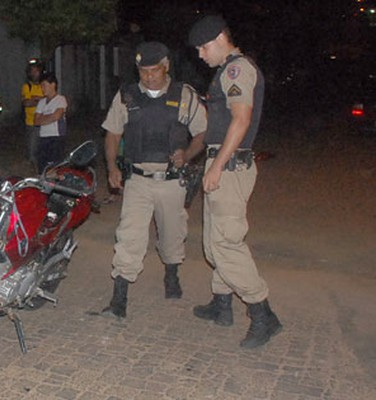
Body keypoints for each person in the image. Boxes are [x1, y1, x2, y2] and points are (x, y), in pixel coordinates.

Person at [188, 15, 282, 348]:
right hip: (222, 164)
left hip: (228, 167)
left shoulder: (236, 69)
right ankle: (221, 305)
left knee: (227, 244)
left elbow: (241, 121)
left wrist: (216, 167)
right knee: (215, 243)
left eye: (202, 47)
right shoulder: (225, 73)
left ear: (219, 38)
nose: (200, 55)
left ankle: (263, 314)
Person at [100, 41, 207, 319]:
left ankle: (171, 274)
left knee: (172, 236)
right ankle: (119, 298)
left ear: (167, 66)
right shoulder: (127, 96)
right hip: (138, 179)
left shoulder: (185, 95)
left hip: (172, 181)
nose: (148, 76)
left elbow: (202, 133)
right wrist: (112, 166)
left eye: (154, 70)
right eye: (143, 71)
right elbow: (112, 133)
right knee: (129, 236)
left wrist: (188, 153)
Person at [34, 73, 68, 174]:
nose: (42, 88)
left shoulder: (61, 99)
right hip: (43, 137)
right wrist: (49, 118)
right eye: (41, 86)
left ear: (53, 84)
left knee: (55, 166)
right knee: (42, 166)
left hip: (56, 137)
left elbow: (56, 116)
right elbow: (36, 120)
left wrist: (43, 118)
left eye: (44, 85)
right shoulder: (42, 102)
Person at [21, 60, 44, 167]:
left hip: (44, 121)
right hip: (31, 122)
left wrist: (36, 99)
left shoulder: (43, 85)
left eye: (37, 71)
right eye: (33, 71)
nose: (35, 74)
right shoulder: (27, 87)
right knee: (32, 148)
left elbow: (49, 100)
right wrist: (39, 100)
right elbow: (26, 103)